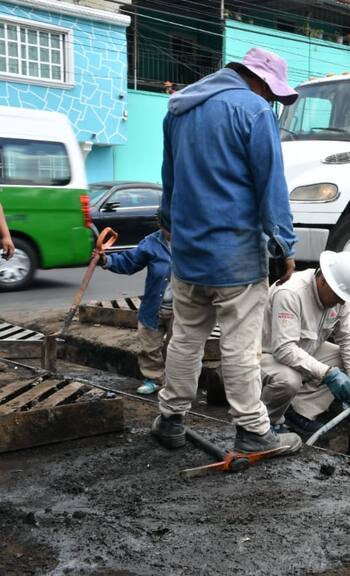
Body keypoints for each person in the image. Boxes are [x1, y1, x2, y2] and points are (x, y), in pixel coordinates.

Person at [155, 47, 302, 457]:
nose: (272, 99)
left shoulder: (179, 110)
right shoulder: (254, 111)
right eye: (272, 91)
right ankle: (254, 430)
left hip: (187, 253)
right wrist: (283, 244)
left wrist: (168, 225)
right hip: (235, 255)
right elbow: (270, 184)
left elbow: (169, 176)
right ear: (256, 79)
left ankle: (170, 420)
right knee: (240, 345)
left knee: (185, 339)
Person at [261, 251, 350, 437]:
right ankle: (264, 424)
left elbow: (349, 337)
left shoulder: (339, 297)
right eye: (339, 295)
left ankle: (296, 413)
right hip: (264, 355)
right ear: (324, 280)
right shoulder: (291, 293)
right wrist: (327, 374)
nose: (342, 301)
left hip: (299, 351)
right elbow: (284, 349)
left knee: (344, 360)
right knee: (289, 379)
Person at [96, 215, 172, 394]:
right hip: (154, 307)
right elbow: (129, 261)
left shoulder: (192, 241)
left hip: (183, 309)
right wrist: (106, 261)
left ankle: (177, 384)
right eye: (167, 228)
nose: (171, 232)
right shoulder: (152, 243)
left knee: (178, 349)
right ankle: (154, 379)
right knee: (149, 347)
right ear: (161, 225)